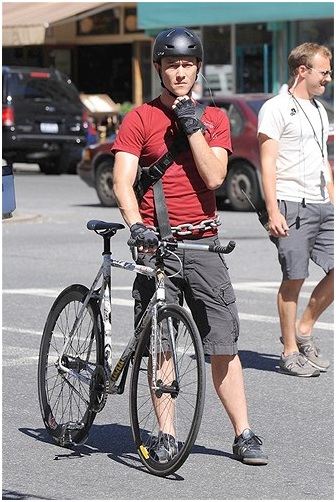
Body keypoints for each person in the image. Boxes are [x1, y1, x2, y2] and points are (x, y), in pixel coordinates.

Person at [112, 27, 268, 465]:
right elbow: (123, 182)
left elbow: (216, 177)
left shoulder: (214, 118)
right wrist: (136, 224)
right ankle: (166, 433)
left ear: (198, 68)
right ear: (158, 68)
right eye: (172, 64)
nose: (180, 72)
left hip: (204, 244)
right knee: (161, 340)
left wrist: (191, 126)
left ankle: (244, 433)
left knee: (223, 343)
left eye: (187, 64)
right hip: (154, 244)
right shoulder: (139, 119)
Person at [258, 43, 334, 377]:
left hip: (322, 202)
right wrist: (273, 210)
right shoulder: (275, 108)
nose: (328, 78)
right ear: (302, 70)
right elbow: (268, 162)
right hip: (291, 202)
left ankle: (304, 329)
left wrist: (332, 197)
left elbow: (323, 160)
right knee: (295, 278)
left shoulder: (321, 110)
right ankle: (289, 350)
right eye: (324, 72)